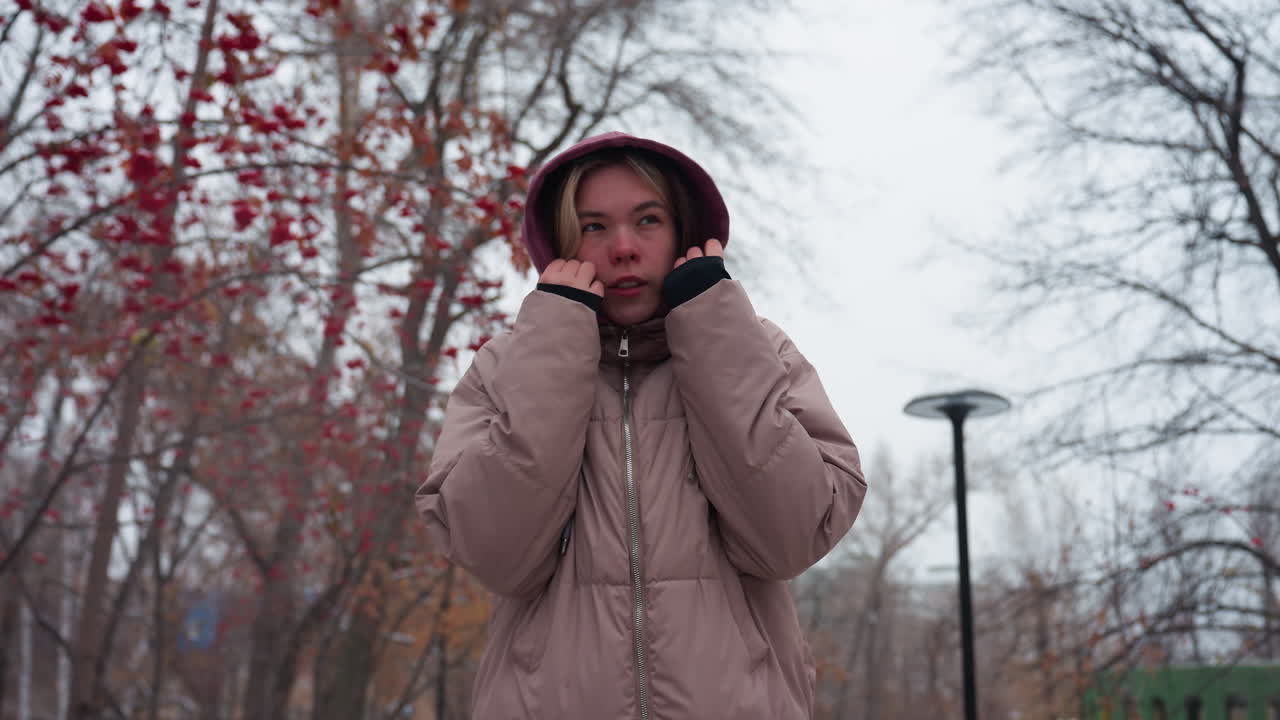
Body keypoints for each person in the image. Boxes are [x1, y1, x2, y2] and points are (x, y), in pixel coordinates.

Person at [415, 131, 867, 719]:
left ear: (683, 232)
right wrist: (556, 344)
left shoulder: (759, 351)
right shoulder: (507, 366)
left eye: (648, 220)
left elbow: (793, 538)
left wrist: (712, 332)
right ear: (561, 244)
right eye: (594, 226)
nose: (623, 247)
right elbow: (496, 554)